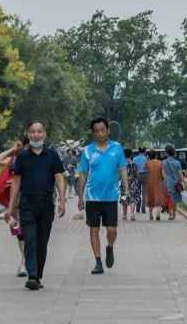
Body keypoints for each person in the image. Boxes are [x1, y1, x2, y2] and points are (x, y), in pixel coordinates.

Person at [7, 121, 66, 291]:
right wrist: (10, 207)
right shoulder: (22, 157)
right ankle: (32, 275)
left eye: (39, 132)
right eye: (32, 132)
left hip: (46, 202)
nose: (36, 135)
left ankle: (38, 274)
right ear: (27, 134)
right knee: (30, 239)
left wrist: (62, 200)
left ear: (44, 134)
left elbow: (59, 177)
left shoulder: (52, 155)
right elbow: (16, 182)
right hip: (27, 203)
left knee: (42, 242)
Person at [76, 116, 128, 275]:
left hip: (111, 196)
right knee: (94, 230)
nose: (100, 133)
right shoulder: (87, 150)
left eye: (103, 130)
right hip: (92, 197)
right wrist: (80, 197)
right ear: (93, 132)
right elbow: (83, 174)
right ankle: (98, 261)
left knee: (112, 230)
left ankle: (109, 247)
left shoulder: (117, 148)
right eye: (96, 131)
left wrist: (126, 189)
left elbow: (123, 169)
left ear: (108, 130)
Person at [0, 135, 29, 277]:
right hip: (15, 203)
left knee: (29, 232)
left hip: (30, 200)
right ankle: (24, 260)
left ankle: (24, 263)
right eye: (25, 147)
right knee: (20, 234)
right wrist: (12, 149)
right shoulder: (15, 160)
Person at [162, 145, 187, 220]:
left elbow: (163, 173)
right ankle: (174, 215)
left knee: (169, 198)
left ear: (166, 153)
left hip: (167, 181)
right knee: (175, 199)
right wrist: (184, 183)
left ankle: (170, 214)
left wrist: (166, 181)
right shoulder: (177, 162)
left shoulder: (163, 162)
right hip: (175, 181)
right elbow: (180, 173)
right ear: (174, 153)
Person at [144, 150, 165, 220]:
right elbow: (163, 173)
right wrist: (165, 180)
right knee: (158, 199)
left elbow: (144, 168)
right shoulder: (160, 162)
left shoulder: (148, 163)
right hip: (158, 183)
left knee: (150, 199)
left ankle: (150, 215)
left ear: (149, 156)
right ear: (155, 155)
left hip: (150, 183)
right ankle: (158, 214)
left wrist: (147, 160)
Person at [131, 146, 148, 215]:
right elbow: (148, 167)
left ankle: (137, 208)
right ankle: (143, 208)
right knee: (144, 193)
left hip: (137, 176)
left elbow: (133, 168)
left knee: (137, 192)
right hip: (145, 175)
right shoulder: (146, 158)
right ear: (145, 152)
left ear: (138, 151)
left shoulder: (134, 158)